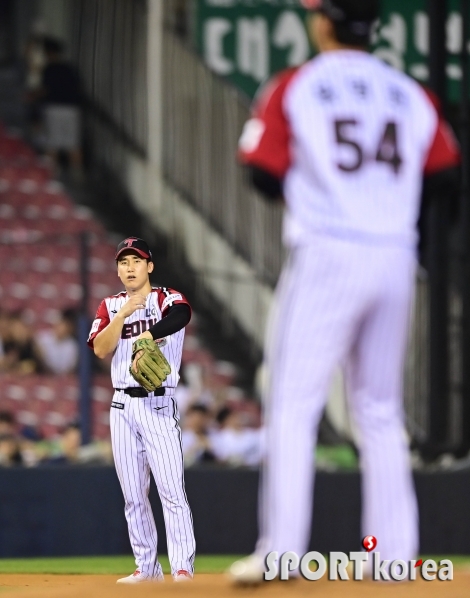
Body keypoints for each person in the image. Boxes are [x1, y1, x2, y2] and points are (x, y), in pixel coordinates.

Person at [229, 0, 460, 583]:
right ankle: (393, 555)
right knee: (380, 410)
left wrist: (321, 198)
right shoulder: (410, 92)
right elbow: (444, 173)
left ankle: (281, 551)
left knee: (294, 403)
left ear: (324, 21)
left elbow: (260, 168)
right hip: (393, 255)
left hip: (329, 249)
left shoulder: (298, 86)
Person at [87, 237, 195, 583]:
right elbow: (101, 349)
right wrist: (122, 315)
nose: (129, 267)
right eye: (123, 262)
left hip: (159, 403)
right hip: (122, 406)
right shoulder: (110, 305)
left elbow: (183, 314)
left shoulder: (165, 298)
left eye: (136, 261)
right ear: (118, 270)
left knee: (171, 491)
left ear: (149, 266)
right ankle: (147, 569)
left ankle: (182, 568)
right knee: (133, 496)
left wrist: (149, 333)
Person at [35, 308, 78, 374]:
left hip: (63, 378)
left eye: (65, 326)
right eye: (60, 324)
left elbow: (68, 368)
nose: (61, 328)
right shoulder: (42, 338)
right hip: (43, 373)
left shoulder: (72, 345)